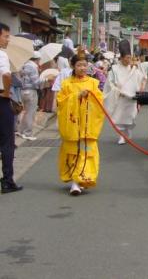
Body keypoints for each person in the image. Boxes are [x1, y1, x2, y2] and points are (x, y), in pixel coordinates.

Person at [56, 51, 104, 195]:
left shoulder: (93, 83)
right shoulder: (66, 84)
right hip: (72, 125)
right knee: (73, 153)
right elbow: (61, 102)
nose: (82, 68)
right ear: (73, 66)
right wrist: (77, 96)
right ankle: (75, 182)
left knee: (86, 153)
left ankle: (82, 179)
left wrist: (91, 96)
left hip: (88, 126)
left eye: (84, 65)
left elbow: (100, 103)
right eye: (79, 65)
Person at [103, 40, 145, 145]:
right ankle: (122, 135)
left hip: (131, 97)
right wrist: (116, 90)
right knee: (119, 118)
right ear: (121, 58)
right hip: (120, 97)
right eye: (126, 58)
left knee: (130, 116)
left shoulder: (133, 68)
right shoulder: (114, 69)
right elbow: (109, 83)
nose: (128, 60)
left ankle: (128, 132)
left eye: (129, 57)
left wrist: (135, 71)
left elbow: (141, 78)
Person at [0, 23, 22, 193]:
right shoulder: (2, 55)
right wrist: (7, 94)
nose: (8, 40)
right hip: (1, 101)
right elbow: (6, 75)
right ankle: (7, 180)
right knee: (7, 142)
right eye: (6, 36)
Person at [18, 51, 42, 141]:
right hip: (31, 91)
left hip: (22, 90)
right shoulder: (33, 67)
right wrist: (46, 79)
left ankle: (21, 131)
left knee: (24, 112)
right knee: (30, 113)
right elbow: (36, 82)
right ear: (37, 59)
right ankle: (28, 133)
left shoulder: (25, 65)